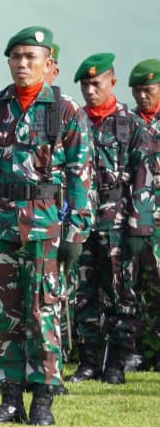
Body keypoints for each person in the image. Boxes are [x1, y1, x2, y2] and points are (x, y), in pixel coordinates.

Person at [0, 26, 92, 426]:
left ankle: (42, 399)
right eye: (16, 57)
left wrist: (76, 233)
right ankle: (10, 399)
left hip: (45, 229)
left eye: (31, 57)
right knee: (5, 315)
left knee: (43, 313)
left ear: (49, 65)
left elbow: (80, 176)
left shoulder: (65, 110)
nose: (22, 64)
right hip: (0, 225)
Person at [68, 53, 154, 384]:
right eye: (85, 85)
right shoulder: (74, 122)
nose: (89, 90)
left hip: (118, 223)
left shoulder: (131, 124)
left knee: (122, 294)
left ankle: (116, 361)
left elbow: (142, 177)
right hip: (83, 222)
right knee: (83, 294)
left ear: (112, 83)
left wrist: (139, 226)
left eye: (95, 83)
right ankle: (88, 361)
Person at [128, 59, 160, 370]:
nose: (141, 95)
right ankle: (135, 353)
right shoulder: (127, 123)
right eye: (137, 90)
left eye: (147, 89)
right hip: (134, 219)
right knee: (131, 287)